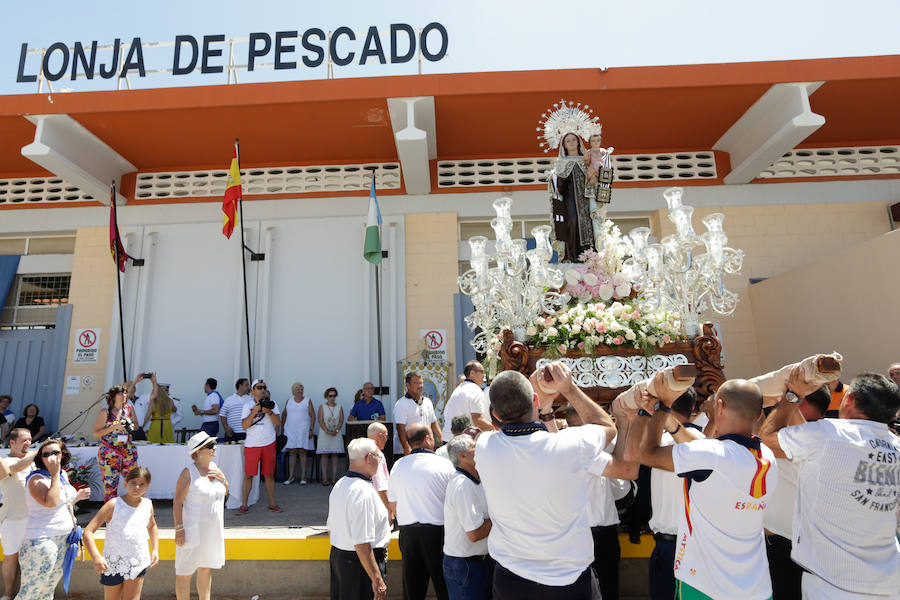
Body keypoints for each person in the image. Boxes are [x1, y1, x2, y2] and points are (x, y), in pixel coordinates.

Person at [475, 363, 636, 600]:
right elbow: (606, 427)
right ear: (536, 403)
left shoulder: (484, 446)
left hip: (511, 581)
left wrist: (535, 393)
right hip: (569, 582)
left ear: (496, 416)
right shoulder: (570, 445)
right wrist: (568, 388)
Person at [760, 370, 900, 599]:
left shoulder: (827, 433)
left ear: (850, 399)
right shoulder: (896, 446)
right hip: (889, 580)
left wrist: (792, 396)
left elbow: (767, 440)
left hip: (833, 583)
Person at [636, 375, 777, 600]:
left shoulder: (711, 456)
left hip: (704, 585)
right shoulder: (767, 456)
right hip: (755, 586)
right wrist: (671, 421)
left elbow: (647, 453)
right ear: (759, 414)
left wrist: (660, 409)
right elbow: (702, 450)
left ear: (719, 406)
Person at [759, 384, 830, 599]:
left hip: (798, 549)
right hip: (774, 546)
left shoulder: (819, 437)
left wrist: (791, 399)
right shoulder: (789, 433)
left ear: (803, 402)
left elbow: (763, 441)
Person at [639, 389, 705, 600]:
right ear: (693, 408)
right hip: (695, 546)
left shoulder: (657, 445)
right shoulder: (708, 442)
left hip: (672, 547)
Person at [389, 423, 455, 600]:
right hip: (438, 532)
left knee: (412, 589)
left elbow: (392, 504)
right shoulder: (444, 464)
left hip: (408, 533)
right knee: (444, 586)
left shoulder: (398, 466)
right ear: (427, 439)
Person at [19, 438, 91, 600]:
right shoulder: (36, 479)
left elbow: (60, 503)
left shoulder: (62, 474)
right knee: (31, 592)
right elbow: (50, 503)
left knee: (47, 590)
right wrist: (53, 475)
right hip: (42, 540)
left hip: (63, 539)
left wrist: (76, 498)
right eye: (46, 454)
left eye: (55, 452)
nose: (51, 457)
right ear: (40, 458)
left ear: (63, 454)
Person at [326, 437, 390, 600]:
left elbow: (331, 530)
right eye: (378, 456)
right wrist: (377, 579)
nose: (380, 460)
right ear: (369, 458)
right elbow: (362, 542)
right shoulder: (363, 491)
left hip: (341, 557)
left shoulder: (340, 484)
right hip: (359, 564)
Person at [82, 465, 159, 600]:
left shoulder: (148, 505)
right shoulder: (114, 504)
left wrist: (155, 549)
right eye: (133, 483)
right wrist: (96, 557)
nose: (137, 488)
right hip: (113, 563)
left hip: (137, 561)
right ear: (125, 483)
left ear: (148, 486)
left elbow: (152, 526)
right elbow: (88, 532)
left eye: (142, 484)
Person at [173, 432, 228, 600]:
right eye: (210, 446)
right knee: (185, 572)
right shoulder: (187, 473)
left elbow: (225, 492)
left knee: (206, 568)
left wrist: (223, 479)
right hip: (192, 530)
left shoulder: (216, 469)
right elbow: (177, 502)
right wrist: (179, 529)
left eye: (214, 444)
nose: (214, 448)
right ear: (197, 452)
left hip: (212, 530)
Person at [443, 434, 493, 600]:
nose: (480, 451)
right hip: (466, 566)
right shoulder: (463, 485)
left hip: (475, 563)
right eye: (475, 448)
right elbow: (475, 533)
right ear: (462, 456)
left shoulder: (475, 480)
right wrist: (500, 518)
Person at [0, 428, 37, 600]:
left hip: (35, 519)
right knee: (11, 557)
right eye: (24, 440)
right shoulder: (4, 460)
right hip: (13, 519)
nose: (28, 443)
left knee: (33, 557)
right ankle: (8, 593)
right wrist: (38, 452)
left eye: (30, 440)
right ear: (12, 442)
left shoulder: (34, 461)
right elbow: (14, 468)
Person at [238, 379, 282, 514]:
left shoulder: (272, 404)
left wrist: (269, 412)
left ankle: (272, 504)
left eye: (264, 387)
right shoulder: (247, 405)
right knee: (249, 475)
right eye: (259, 387)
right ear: (253, 390)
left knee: (269, 474)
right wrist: (253, 412)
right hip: (252, 444)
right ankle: (244, 505)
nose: (262, 389)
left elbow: (278, 423)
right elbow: (244, 426)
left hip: (268, 442)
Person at [550, 132, 593, 261]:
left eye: (574, 139)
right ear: (564, 145)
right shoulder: (561, 163)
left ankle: (588, 254)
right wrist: (556, 178)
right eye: (568, 140)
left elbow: (593, 180)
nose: (571, 142)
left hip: (585, 199)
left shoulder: (586, 161)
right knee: (572, 222)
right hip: (569, 199)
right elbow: (559, 189)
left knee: (587, 224)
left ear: (579, 142)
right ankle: (572, 256)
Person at [93, 384, 139, 501]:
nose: (124, 395)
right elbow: (96, 433)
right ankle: (110, 516)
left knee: (135, 480)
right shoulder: (105, 412)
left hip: (127, 450)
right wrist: (113, 427)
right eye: (120, 393)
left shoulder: (129, 409)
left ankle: (135, 509)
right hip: (110, 453)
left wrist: (129, 426)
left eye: (125, 393)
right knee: (110, 486)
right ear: (113, 396)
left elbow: (137, 426)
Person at [393, 372, 442, 456]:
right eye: (416, 383)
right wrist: (406, 448)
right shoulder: (401, 404)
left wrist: (442, 439)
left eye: (421, 383)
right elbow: (400, 428)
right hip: (406, 452)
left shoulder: (427, 401)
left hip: (425, 449)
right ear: (408, 385)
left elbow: (434, 423)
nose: (420, 386)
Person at [442, 361, 492, 438]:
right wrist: (496, 430)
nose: (484, 375)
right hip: (462, 442)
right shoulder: (474, 389)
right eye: (482, 372)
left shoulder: (459, 389)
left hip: (448, 438)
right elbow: (478, 420)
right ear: (472, 373)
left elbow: (446, 414)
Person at [282, 382, 315, 485]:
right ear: (293, 391)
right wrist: (283, 428)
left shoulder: (307, 401)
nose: (300, 391)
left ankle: (303, 477)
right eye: (298, 389)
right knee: (292, 452)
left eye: (301, 389)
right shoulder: (289, 401)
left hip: (303, 431)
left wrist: (311, 429)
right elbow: (284, 414)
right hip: (291, 431)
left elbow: (313, 415)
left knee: (302, 452)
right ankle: (291, 476)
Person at [317, 387, 345, 486]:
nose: (332, 398)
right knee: (324, 455)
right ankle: (324, 477)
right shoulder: (322, 407)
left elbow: (341, 420)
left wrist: (336, 430)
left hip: (336, 434)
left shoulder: (339, 406)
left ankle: (334, 478)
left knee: (334, 455)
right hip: (325, 434)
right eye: (330, 396)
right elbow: (320, 420)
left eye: (334, 396)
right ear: (326, 396)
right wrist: (327, 431)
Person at [366, 422, 391, 516]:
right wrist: (390, 511)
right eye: (386, 436)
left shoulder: (363, 452)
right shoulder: (377, 455)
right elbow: (381, 486)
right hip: (378, 505)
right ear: (380, 436)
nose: (387, 439)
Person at [143, 375, 176, 444]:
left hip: (156, 425)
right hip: (167, 425)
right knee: (168, 445)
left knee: (153, 445)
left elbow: (148, 416)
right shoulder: (170, 401)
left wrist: (141, 427)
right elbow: (175, 410)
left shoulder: (153, 401)